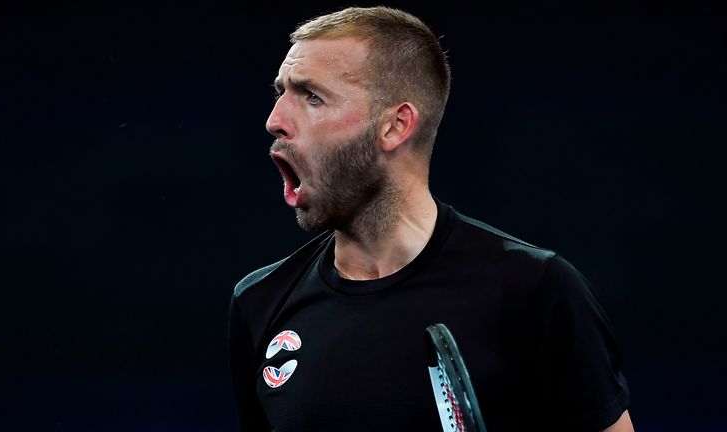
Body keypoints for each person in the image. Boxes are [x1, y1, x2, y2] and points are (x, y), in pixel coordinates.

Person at [227, 6, 633, 431]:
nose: (274, 121)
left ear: (395, 126)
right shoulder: (260, 304)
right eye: (280, 92)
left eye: (312, 96)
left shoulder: (537, 290)